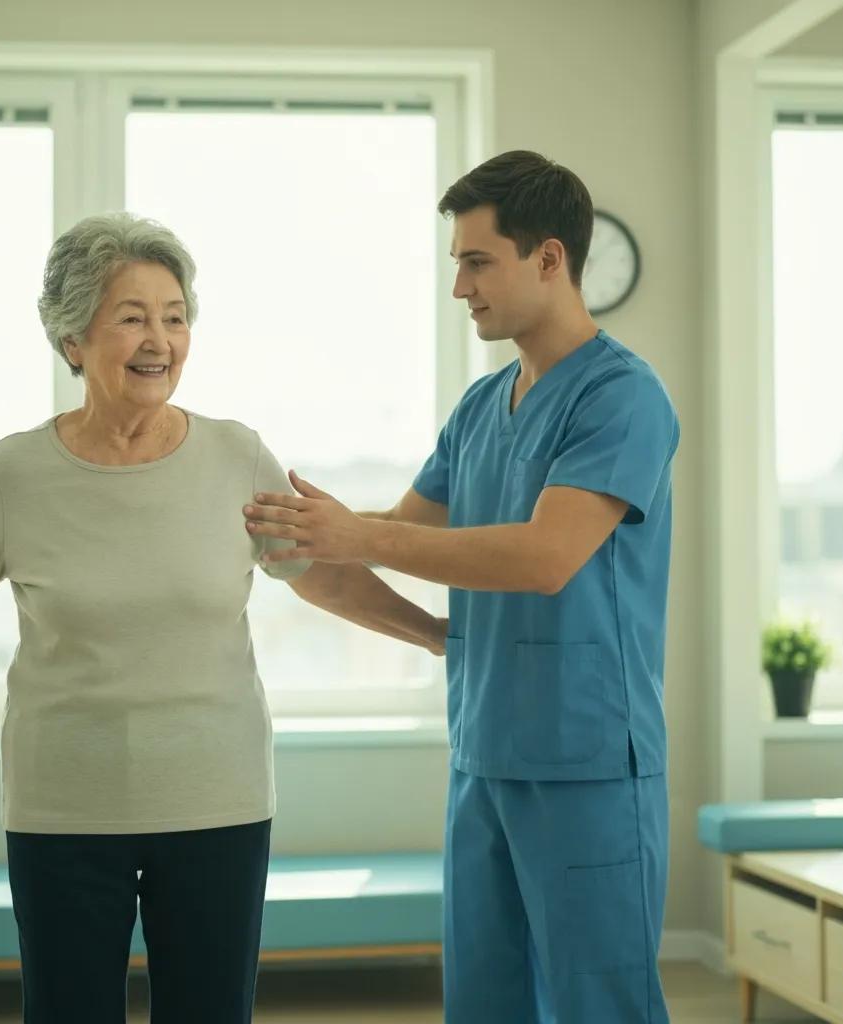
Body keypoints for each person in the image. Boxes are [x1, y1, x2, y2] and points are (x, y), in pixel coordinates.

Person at [0, 212, 446, 1024]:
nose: (160, 339)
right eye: (132, 317)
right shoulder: (13, 474)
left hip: (217, 803)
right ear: (72, 340)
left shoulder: (237, 455)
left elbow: (325, 579)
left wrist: (442, 639)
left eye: (175, 316)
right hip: (63, 808)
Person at [243, 150, 680, 1024]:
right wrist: (297, 547)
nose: (461, 289)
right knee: (486, 1005)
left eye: (476, 262)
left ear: (549, 258)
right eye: (457, 266)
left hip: (586, 763)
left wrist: (359, 534)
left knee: (600, 1009)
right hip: (483, 756)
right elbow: (388, 547)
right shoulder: (480, 411)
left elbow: (543, 556)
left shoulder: (623, 398)